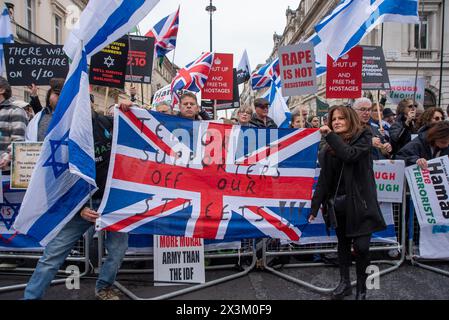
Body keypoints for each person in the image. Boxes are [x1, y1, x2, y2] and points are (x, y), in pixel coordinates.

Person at [24, 104, 129, 300]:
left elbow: (137, 127)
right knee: (53, 254)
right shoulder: (64, 135)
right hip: (81, 204)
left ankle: (104, 288)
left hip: (112, 201)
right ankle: (31, 296)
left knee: (117, 251)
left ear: (90, 104)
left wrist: (129, 106)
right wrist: (80, 208)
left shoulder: (107, 123)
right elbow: (58, 178)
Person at [309, 105, 387, 300]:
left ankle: (362, 289)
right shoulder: (327, 150)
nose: (336, 122)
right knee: (343, 246)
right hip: (339, 205)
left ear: (350, 119)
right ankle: (344, 284)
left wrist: (330, 137)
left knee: (361, 248)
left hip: (361, 205)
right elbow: (325, 180)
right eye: (333, 119)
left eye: (341, 118)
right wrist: (315, 205)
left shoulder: (364, 138)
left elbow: (349, 155)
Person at [0, 77, 28, 170]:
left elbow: (18, 142)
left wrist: (7, 157)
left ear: (2, 90)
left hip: (5, 172)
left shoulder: (15, 111)